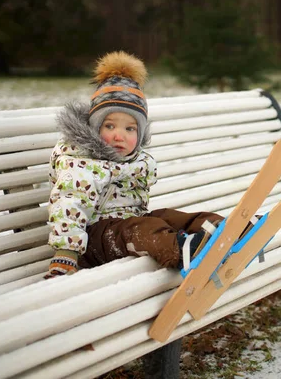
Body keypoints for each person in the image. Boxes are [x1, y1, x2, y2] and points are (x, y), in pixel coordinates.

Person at [46, 50, 223, 278]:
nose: (120, 135)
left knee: (169, 216)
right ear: (94, 127)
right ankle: (182, 249)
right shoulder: (82, 163)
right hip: (93, 239)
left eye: (130, 129)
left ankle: (224, 230)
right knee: (143, 229)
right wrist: (66, 253)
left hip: (127, 227)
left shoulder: (134, 161)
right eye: (110, 126)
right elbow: (69, 203)